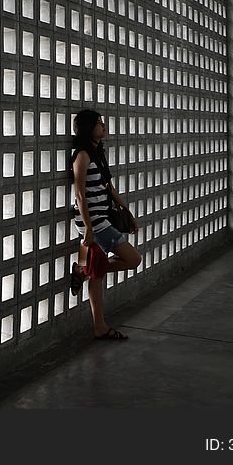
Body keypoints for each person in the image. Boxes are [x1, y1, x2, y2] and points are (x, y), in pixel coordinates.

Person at [69, 109, 141, 340]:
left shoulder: (98, 152)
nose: (104, 126)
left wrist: (127, 212)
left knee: (97, 275)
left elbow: (108, 188)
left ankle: (99, 325)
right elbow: (79, 193)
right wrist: (88, 227)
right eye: (100, 123)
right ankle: (83, 269)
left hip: (103, 218)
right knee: (133, 259)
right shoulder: (82, 154)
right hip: (93, 222)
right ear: (89, 127)